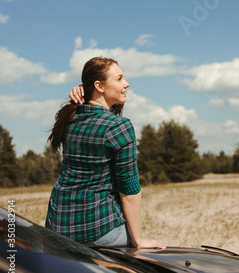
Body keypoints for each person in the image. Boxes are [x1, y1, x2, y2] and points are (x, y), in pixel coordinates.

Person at [45, 56, 165, 250]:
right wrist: (138, 240)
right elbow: (128, 190)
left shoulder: (70, 117)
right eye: (119, 79)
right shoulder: (118, 126)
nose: (126, 83)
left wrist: (83, 89)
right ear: (99, 86)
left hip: (57, 228)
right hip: (98, 231)